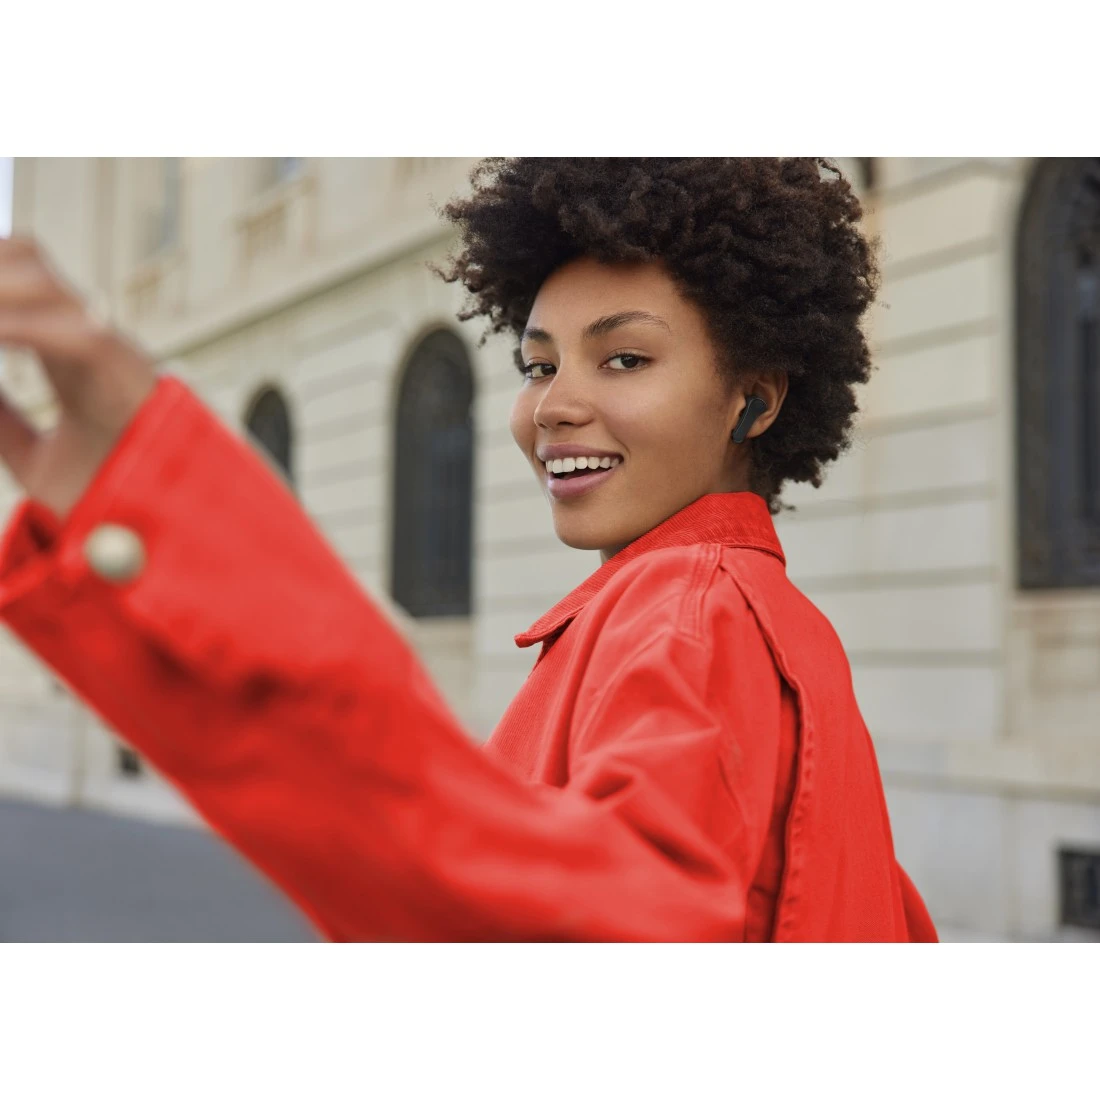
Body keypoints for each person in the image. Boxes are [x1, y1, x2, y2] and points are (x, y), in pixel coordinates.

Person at [0, 157, 937, 942]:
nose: (553, 406)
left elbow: (583, 935)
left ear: (754, 400)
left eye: (624, 358)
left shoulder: (688, 617)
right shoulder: (772, 625)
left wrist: (162, 513)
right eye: (538, 365)